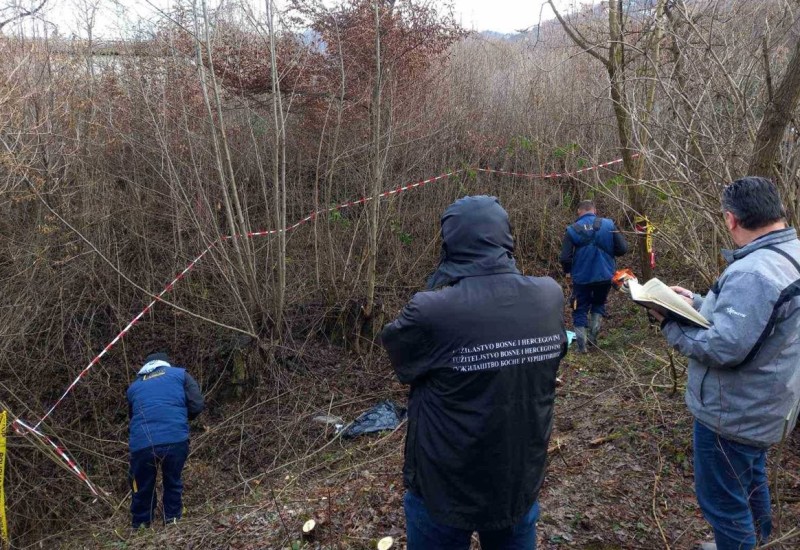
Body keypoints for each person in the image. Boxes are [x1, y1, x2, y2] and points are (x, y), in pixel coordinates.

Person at [381, 196, 567, 550]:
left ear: (450, 243)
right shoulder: (549, 296)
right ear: (505, 238)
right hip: (519, 478)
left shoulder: (431, 310)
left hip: (444, 485)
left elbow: (401, 360)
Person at [652, 176, 800, 550]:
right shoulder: (791, 254)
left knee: (723, 504)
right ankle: (757, 540)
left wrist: (669, 321)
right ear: (777, 211)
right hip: (769, 403)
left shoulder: (753, 272)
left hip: (732, 413)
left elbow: (724, 348)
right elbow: (758, 324)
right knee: (751, 480)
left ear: (731, 219)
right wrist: (699, 303)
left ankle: (737, 543)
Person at [127, 352, 205, 529]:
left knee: (142, 485)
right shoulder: (180, 374)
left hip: (142, 444)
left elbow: (133, 418)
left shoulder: (133, 387)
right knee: (173, 481)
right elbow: (197, 404)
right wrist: (181, 419)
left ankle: (141, 525)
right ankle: (172, 522)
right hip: (175, 438)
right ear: (165, 364)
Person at [559, 200, 628, 352]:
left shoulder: (572, 229)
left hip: (581, 277)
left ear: (579, 211)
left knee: (579, 307)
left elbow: (565, 257)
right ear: (594, 210)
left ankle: (582, 346)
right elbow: (623, 249)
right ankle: (593, 339)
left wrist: (568, 272)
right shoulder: (609, 225)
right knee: (598, 303)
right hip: (605, 275)